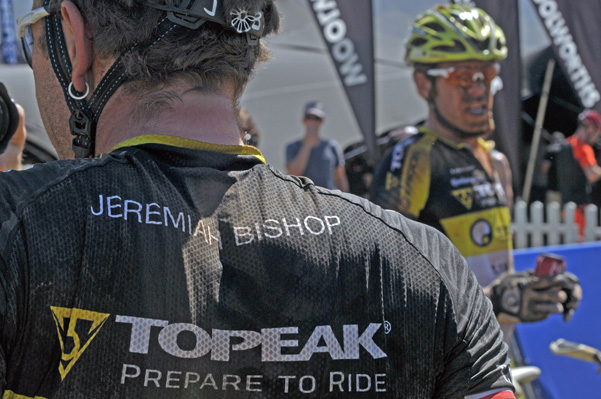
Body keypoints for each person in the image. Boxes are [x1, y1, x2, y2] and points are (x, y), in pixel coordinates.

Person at [0, 0, 516, 397]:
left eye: (34, 41)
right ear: (247, 51)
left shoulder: (16, 229)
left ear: (75, 36)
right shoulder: (425, 264)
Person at [370, 4, 581, 340]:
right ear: (424, 84)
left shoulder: (495, 160)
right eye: (463, 77)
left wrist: (533, 289)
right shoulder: (414, 158)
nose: (479, 89)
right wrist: (496, 299)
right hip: (444, 361)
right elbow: (385, 280)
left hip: (494, 348)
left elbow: (486, 273)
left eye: (488, 75)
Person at [554, 109, 601, 238]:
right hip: (580, 209)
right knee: (584, 248)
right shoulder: (583, 147)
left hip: (566, 207)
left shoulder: (566, 144)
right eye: (597, 133)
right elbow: (592, 174)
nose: (596, 138)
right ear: (591, 128)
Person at [286, 101, 349, 192]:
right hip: (305, 199)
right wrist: (307, 145)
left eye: (316, 118)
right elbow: (293, 173)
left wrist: (345, 199)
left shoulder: (332, 146)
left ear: (322, 121)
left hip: (329, 199)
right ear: (304, 120)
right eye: (309, 118)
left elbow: (340, 177)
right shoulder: (292, 147)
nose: (312, 122)